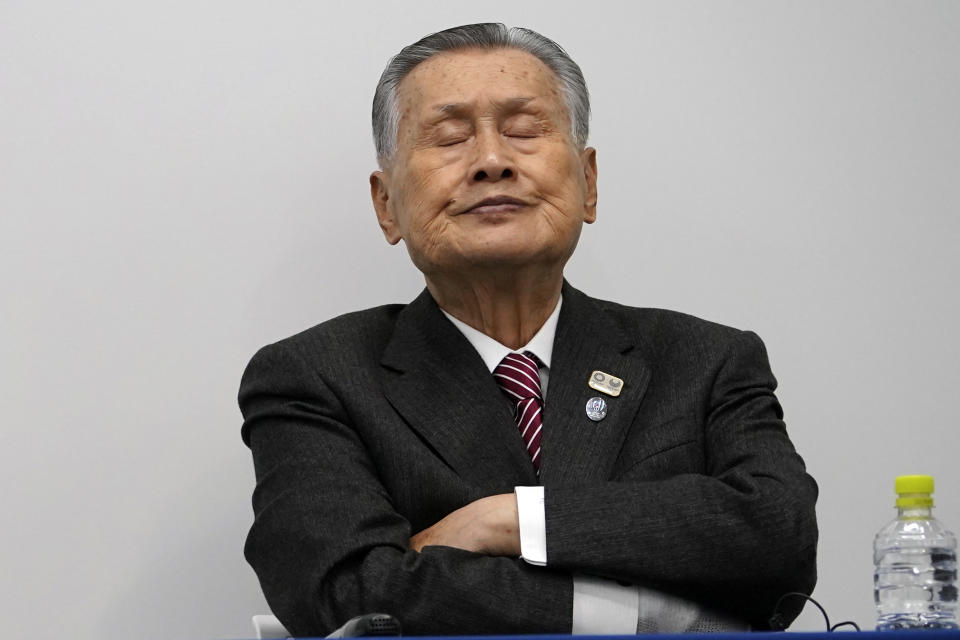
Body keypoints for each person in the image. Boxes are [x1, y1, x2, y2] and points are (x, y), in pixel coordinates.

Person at [239, 23, 818, 637]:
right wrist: (651, 615)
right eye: (450, 137)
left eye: (523, 130)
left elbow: (778, 537)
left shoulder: (705, 359)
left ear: (589, 183)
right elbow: (345, 593)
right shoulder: (314, 377)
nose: (491, 161)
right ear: (388, 206)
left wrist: (512, 520)